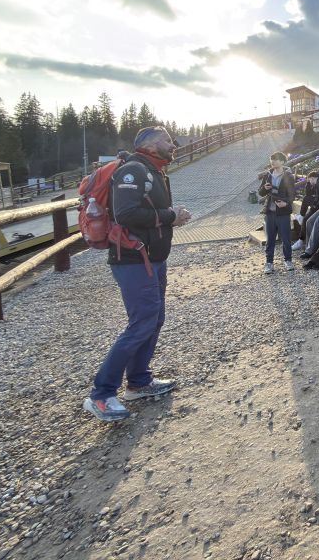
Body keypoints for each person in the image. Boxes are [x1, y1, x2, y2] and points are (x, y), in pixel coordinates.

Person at [83, 126, 191, 422]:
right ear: (150, 145)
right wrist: (170, 216)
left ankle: (139, 382)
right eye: (168, 140)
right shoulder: (133, 170)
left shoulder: (155, 171)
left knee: (153, 319)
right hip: (133, 259)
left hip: (153, 258)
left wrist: (172, 217)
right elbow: (125, 213)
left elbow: (147, 214)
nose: (173, 145)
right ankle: (102, 394)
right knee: (141, 323)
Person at [260, 151, 296, 273]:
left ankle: (288, 260)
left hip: (283, 213)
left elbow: (292, 195)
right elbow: (260, 192)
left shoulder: (288, 176)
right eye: (271, 159)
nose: (273, 161)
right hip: (270, 212)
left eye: (275, 159)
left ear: (282, 161)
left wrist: (285, 203)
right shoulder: (267, 175)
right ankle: (269, 263)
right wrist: (265, 188)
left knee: (286, 238)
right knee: (270, 239)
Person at [296, 170, 319, 250]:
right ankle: (301, 216)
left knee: (306, 219)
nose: (309, 181)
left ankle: (301, 241)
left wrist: (314, 206)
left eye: (309, 180)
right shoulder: (318, 182)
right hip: (318, 204)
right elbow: (308, 194)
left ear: (313, 178)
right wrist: (308, 184)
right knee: (306, 199)